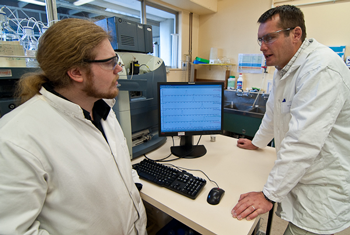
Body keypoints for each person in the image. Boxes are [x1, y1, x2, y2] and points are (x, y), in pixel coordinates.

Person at [0, 18, 147, 235]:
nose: (119, 68)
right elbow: (15, 230)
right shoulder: (15, 139)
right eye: (109, 62)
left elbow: (119, 165)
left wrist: (132, 187)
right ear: (76, 72)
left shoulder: (102, 109)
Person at [231, 5, 350, 235]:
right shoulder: (284, 68)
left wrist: (267, 195)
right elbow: (273, 112)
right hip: (299, 176)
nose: (263, 47)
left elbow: (302, 141)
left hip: (322, 189)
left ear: (296, 34)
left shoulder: (320, 69)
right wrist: (258, 143)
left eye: (269, 38)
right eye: (260, 40)